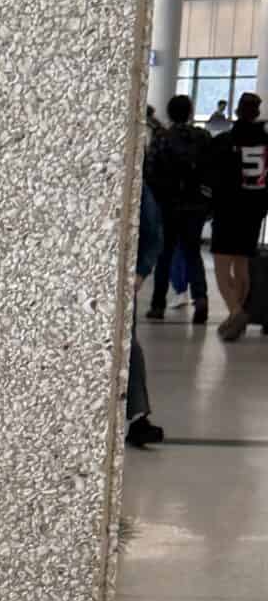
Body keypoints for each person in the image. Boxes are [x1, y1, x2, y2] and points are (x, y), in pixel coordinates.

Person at [146, 95, 210, 324]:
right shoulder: (202, 137)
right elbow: (209, 170)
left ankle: (157, 304)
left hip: (168, 204)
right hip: (195, 205)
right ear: (191, 113)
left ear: (170, 113)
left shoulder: (162, 137)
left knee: (164, 255)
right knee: (193, 253)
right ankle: (201, 298)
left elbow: (151, 170)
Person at [210, 91, 268, 342]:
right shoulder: (266, 142)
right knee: (242, 264)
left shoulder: (225, 140)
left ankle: (236, 312)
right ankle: (237, 317)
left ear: (236, 111)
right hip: (254, 210)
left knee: (222, 265)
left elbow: (213, 176)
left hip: (227, 209)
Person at [127, 174, 165, 446]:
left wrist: (139, 272)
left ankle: (138, 417)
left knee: (127, 346)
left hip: (118, 281)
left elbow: (152, 234)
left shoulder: (135, 184)